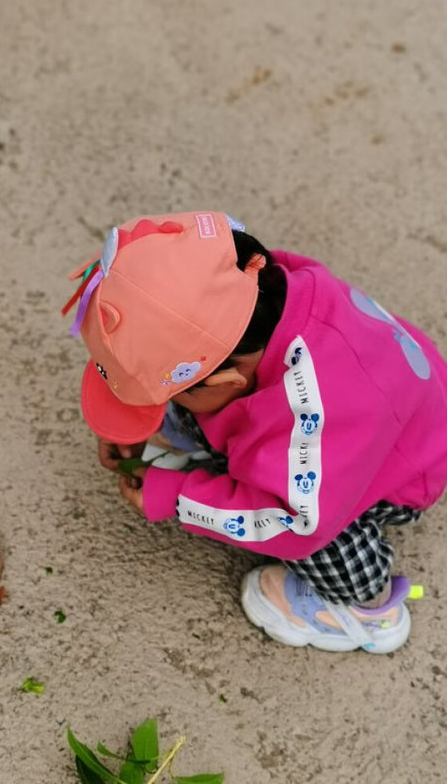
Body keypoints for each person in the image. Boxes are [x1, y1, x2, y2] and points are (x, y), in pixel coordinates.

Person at [62, 211, 447, 653]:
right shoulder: (262, 280)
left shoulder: (313, 412)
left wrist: (178, 496)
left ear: (228, 382)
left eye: (169, 398)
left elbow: (298, 520)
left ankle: (367, 606)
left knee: (323, 538)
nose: (162, 408)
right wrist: (151, 417)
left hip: (398, 472)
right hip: (401, 394)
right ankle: (195, 418)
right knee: (208, 410)